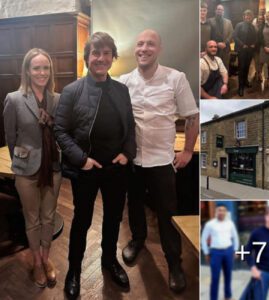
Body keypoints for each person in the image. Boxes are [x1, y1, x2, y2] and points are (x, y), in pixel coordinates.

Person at [54, 32, 136, 298]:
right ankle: (74, 270)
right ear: (88, 57)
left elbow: (130, 127)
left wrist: (127, 153)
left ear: (113, 57)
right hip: (85, 170)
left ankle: (109, 261)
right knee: (81, 220)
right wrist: (81, 159)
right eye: (95, 53)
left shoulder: (122, 90)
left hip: (116, 169)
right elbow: (60, 130)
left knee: (113, 219)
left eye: (106, 53)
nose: (100, 58)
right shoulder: (72, 91)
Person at [119, 29, 199, 293]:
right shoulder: (124, 81)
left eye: (150, 44)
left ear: (159, 49)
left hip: (162, 162)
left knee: (167, 214)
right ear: (135, 49)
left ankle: (174, 263)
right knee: (134, 205)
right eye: (140, 44)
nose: (144, 48)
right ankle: (138, 239)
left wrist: (187, 151)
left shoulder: (176, 78)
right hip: (133, 161)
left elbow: (192, 116)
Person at [3, 48, 61, 288]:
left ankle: (47, 259)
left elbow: (60, 133)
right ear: (27, 70)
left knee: (48, 218)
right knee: (33, 219)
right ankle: (36, 262)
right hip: (26, 170)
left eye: (45, 68)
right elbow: (10, 136)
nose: (41, 72)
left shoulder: (56, 99)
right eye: (36, 68)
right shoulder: (14, 99)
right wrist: (22, 159)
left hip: (53, 168)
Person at [201, 204, 239, 300]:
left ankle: (228, 295)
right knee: (215, 277)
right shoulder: (210, 224)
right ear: (216, 212)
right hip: (215, 252)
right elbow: (203, 238)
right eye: (219, 210)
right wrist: (206, 252)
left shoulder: (230, 223)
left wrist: (235, 250)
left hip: (228, 251)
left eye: (223, 210)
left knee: (228, 275)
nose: (221, 212)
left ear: (226, 212)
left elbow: (235, 237)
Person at [233, 9, 256, 97]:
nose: (248, 17)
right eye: (246, 15)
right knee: (241, 68)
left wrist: (254, 43)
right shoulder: (239, 25)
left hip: (250, 51)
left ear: (251, 17)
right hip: (242, 50)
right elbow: (235, 36)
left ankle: (246, 81)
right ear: (244, 17)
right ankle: (240, 87)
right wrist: (242, 45)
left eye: (249, 16)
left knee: (247, 67)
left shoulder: (253, 27)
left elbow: (255, 37)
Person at [209, 4, 233, 71]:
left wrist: (225, 43)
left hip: (225, 49)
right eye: (218, 9)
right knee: (214, 68)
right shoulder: (210, 21)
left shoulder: (228, 22)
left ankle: (225, 81)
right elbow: (208, 35)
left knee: (225, 67)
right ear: (215, 11)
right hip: (213, 49)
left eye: (221, 10)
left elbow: (231, 33)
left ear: (223, 12)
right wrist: (216, 43)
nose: (220, 11)